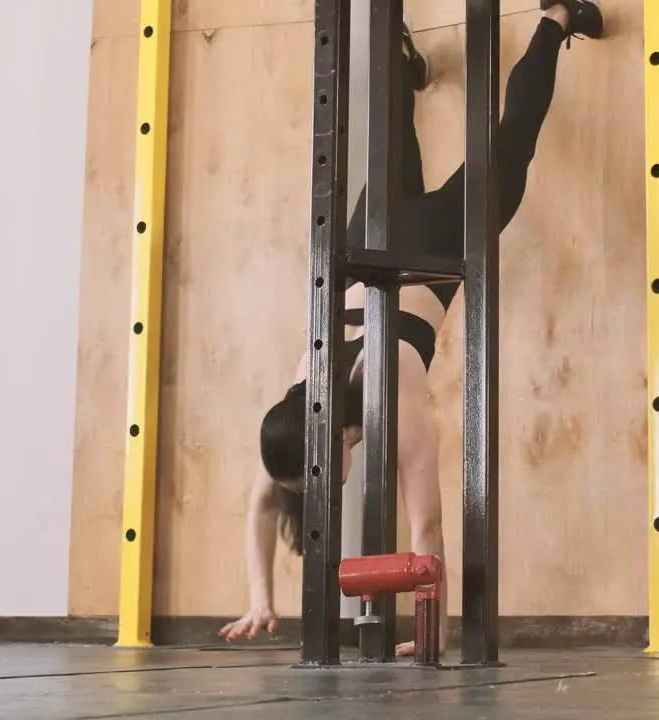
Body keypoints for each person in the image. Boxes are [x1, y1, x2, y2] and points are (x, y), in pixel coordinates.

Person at [219, 1, 606, 656]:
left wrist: (437, 632)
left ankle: (558, 18)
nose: (318, 488)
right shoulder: (298, 407)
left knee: (509, 146)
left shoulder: (389, 399)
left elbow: (428, 523)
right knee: (393, 145)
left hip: (429, 251)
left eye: (312, 478)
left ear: (330, 442)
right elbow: (261, 504)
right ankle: (399, 60)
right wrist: (259, 597)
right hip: (367, 240)